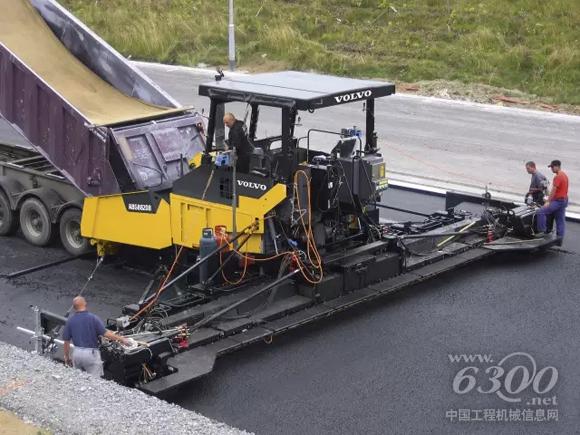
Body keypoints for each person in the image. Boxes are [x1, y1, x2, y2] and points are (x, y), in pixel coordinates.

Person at [62, 296, 128, 377]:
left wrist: (67, 357)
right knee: (94, 381)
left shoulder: (70, 320)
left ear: (74, 307)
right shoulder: (93, 318)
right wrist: (122, 339)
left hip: (77, 353)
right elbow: (106, 334)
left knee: (78, 379)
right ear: (85, 304)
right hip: (91, 354)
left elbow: (66, 342)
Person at [536, 160, 569, 241]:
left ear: (557, 166)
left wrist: (548, 201)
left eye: (552, 167)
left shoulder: (557, 177)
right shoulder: (564, 175)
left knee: (541, 211)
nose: (551, 169)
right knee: (560, 220)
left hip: (558, 201)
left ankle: (541, 232)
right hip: (564, 200)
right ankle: (560, 238)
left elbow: (554, 190)